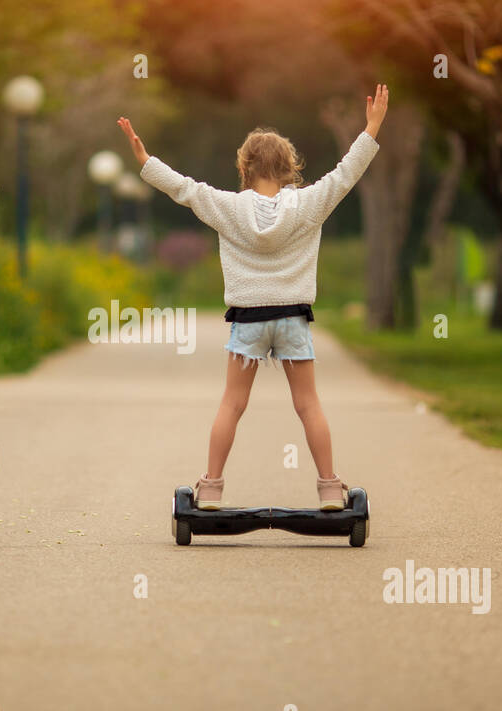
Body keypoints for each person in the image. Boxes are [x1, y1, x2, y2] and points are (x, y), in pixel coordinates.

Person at [116, 84, 387, 510]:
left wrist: (146, 162)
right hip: (293, 320)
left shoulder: (227, 206)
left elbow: (185, 189)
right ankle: (331, 489)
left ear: (244, 166)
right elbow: (344, 175)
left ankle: (210, 489)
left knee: (233, 403)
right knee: (308, 404)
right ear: (288, 167)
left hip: (248, 323)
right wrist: (370, 129)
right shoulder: (309, 204)